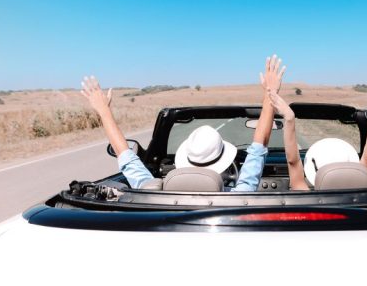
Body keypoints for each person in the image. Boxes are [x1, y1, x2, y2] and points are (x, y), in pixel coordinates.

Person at [80, 55, 286, 191]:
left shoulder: (151, 190)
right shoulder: (241, 194)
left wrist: (104, 111)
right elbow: (260, 143)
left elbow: (125, 155)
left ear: (186, 159)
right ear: (224, 161)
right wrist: (270, 94)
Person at [268, 83, 367, 190]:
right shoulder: (365, 195)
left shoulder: (303, 192)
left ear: (313, 170)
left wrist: (289, 118)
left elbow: (293, 161)